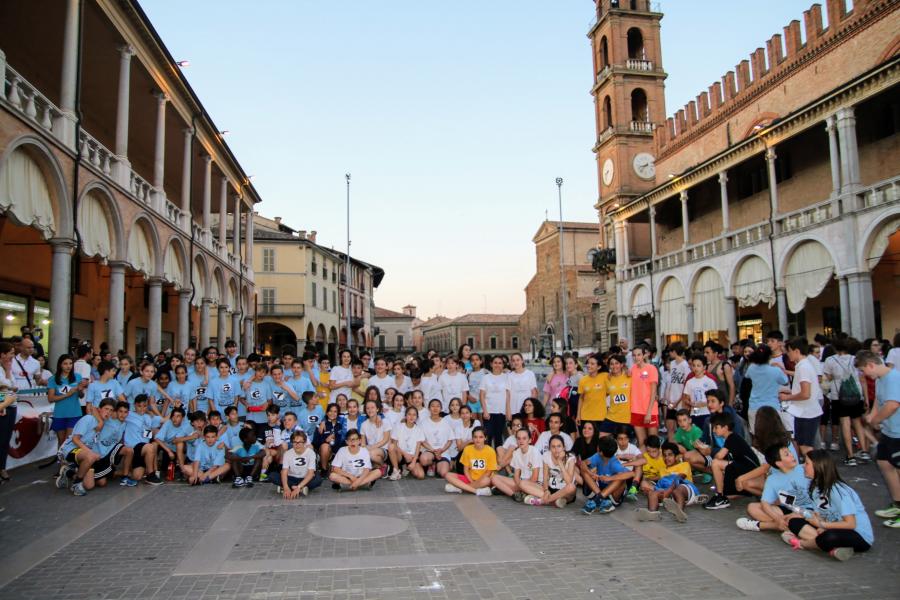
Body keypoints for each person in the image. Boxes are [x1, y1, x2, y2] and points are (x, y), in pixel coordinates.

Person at [779, 449, 873, 560]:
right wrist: (801, 515)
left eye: (807, 463)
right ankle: (834, 547)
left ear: (818, 466)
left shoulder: (838, 490)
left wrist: (822, 525)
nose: (803, 466)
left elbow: (850, 524)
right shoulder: (815, 488)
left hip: (858, 534)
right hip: (833, 527)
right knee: (794, 522)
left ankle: (803, 543)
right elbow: (820, 514)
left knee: (830, 536)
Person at [855, 350, 900, 528]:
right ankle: (897, 503)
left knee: (896, 467)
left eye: (863, 370)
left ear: (871, 365)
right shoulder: (881, 379)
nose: (864, 375)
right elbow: (879, 402)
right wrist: (873, 416)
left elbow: (892, 405)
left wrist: (876, 420)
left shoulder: (893, 378)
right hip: (890, 431)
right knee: (884, 462)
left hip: (898, 432)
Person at [737, 442, 815, 533]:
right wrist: (778, 518)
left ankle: (762, 525)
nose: (792, 455)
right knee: (752, 507)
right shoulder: (772, 479)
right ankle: (785, 526)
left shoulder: (804, 468)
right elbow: (765, 503)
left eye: (790, 452)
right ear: (779, 463)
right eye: (787, 454)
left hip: (810, 510)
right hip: (789, 509)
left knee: (798, 518)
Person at [823, 338, 869, 464]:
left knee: (845, 424)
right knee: (857, 422)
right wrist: (865, 398)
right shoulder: (855, 359)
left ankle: (850, 456)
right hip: (856, 394)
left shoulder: (830, 360)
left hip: (839, 396)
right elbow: (862, 379)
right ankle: (864, 451)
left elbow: (828, 377)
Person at [55, 398, 113, 496]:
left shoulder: (102, 423)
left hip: (83, 453)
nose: (108, 412)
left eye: (111, 410)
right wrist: (90, 453)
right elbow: (75, 439)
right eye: (106, 409)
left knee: (89, 485)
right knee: (91, 456)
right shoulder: (88, 419)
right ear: (99, 409)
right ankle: (76, 484)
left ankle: (68, 472)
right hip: (69, 449)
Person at [637, 441, 707, 522]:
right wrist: (652, 491)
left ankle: (680, 513)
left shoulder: (684, 465)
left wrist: (669, 490)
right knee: (653, 493)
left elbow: (680, 478)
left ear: (676, 456)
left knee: (677, 489)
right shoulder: (662, 471)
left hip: (685, 490)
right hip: (669, 495)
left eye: (670, 455)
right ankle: (652, 513)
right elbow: (660, 485)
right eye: (664, 455)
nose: (666, 458)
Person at [704, 412, 759, 510]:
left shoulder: (731, 438)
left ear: (725, 427)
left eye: (716, 427)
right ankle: (723, 495)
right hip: (745, 466)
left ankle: (720, 496)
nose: (713, 430)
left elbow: (719, 456)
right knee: (721, 468)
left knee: (716, 463)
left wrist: (708, 451)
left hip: (750, 469)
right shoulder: (733, 437)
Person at [779, 338, 824, 458]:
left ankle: (814, 471)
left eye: (789, 351)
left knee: (805, 447)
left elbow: (805, 393)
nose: (787, 354)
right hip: (805, 411)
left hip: (807, 412)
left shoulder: (803, 367)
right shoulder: (803, 365)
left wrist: (787, 397)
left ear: (796, 351)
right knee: (804, 445)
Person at [47, 354, 89, 450]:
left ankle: (67, 463)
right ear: (60, 365)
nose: (68, 366)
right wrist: (67, 394)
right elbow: (50, 398)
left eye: (70, 363)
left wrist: (80, 390)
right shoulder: (53, 379)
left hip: (74, 413)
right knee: (61, 441)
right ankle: (62, 463)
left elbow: (81, 396)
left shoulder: (77, 377)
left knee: (68, 440)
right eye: (65, 363)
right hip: (59, 414)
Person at [581, 435, 632, 514]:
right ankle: (600, 499)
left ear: (600, 451)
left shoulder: (615, 463)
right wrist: (590, 473)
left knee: (621, 479)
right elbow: (583, 464)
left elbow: (632, 474)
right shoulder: (597, 456)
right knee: (585, 471)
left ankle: (597, 499)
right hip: (598, 489)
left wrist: (610, 478)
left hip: (612, 496)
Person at [745, 346, 789, 432]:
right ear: (769, 356)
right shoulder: (776, 371)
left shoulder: (751, 368)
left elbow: (747, 376)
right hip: (772, 406)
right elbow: (785, 382)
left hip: (754, 406)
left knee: (756, 434)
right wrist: (780, 368)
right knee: (773, 434)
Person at [122, 394, 163, 486]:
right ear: (135, 405)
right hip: (133, 448)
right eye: (139, 406)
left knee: (137, 476)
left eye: (144, 406)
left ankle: (126, 472)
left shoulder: (149, 417)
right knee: (150, 447)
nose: (142, 408)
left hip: (144, 450)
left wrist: (175, 407)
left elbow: (164, 420)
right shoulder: (129, 414)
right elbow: (118, 414)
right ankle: (151, 475)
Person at [492, 427, 541, 501]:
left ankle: (508, 490)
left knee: (522, 484)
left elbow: (535, 478)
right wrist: (519, 485)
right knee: (494, 478)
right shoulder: (517, 452)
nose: (521, 441)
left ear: (530, 440)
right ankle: (514, 495)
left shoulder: (534, 451)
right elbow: (516, 476)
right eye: (519, 438)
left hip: (536, 484)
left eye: (524, 438)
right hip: (521, 482)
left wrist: (520, 485)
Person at [444, 426, 496, 496]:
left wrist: (477, 481)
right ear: (472, 438)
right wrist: (471, 481)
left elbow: (489, 472)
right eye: (475, 437)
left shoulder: (490, 451)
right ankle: (476, 491)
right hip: (469, 478)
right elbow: (466, 470)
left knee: (487, 480)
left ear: (485, 438)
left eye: (481, 437)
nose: (478, 439)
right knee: (447, 475)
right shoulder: (468, 449)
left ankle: (460, 488)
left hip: (483, 480)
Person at [630, 346, 659, 449]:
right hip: (635, 410)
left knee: (653, 443)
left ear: (644, 355)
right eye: (634, 355)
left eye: (639, 355)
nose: (636, 357)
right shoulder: (632, 369)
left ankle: (657, 465)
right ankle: (643, 465)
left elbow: (653, 391)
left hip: (650, 411)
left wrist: (649, 412)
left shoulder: (651, 368)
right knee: (641, 442)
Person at [681, 353, 718, 432]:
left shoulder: (709, 381)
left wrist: (703, 403)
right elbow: (686, 398)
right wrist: (691, 403)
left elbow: (716, 398)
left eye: (698, 365)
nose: (695, 368)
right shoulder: (689, 382)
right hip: (694, 413)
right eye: (693, 365)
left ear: (704, 367)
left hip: (707, 413)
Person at [480, 356, 511, 448]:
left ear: (503, 365)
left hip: (501, 412)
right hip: (489, 411)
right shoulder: (486, 378)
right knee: (488, 436)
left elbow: (508, 395)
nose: (497, 365)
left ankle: (498, 458)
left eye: (500, 363)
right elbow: (482, 395)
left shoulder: (506, 377)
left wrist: (507, 411)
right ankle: (488, 458)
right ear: (491, 364)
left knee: (498, 437)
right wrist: (485, 410)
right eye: (495, 363)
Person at [279, 430, 321, 497]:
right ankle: (300, 488)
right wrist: (286, 487)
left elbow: (311, 473)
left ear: (304, 443)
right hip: (292, 477)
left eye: (300, 442)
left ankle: (295, 488)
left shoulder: (310, 453)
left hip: (305, 477)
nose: (297, 445)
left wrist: (298, 487)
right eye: (294, 442)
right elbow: (284, 471)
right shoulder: (287, 453)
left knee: (318, 479)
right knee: (273, 476)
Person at [419, 399, 455, 478]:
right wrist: (433, 450)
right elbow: (422, 441)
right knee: (423, 460)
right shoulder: (424, 423)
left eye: (438, 406)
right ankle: (431, 464)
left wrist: (442, 450)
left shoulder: (446, 422)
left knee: (443, 473)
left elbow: (450, 440)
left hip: (443, 451)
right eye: (432, 406)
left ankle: (438, 465)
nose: (435, 408)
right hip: (429, 451)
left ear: (441, 408)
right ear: (429, 408)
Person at [389, 406, 426, 480]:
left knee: (421, 475)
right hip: (400, 455)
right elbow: (394, 444)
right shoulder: (399, 426)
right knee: (391, 446)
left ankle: (407, 468)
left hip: (412, 457)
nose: (411, 417)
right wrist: (405, 454)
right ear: (405, 416)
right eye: (409, 414)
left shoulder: (418, 429)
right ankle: (396, 471)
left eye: (414, 415)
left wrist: (413, 462)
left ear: (417, 417)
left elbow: (418, 447)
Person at [0, 342, 20, 482]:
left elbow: (14, 386)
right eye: (11, 353)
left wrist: (8, 371)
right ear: (3, 354)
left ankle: (2, 467)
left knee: (6, 439)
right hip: (3, 406)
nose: (13, 356)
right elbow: (5, 386)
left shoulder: (9, 368)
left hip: (12, 406)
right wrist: (9, 386)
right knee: (1, 438)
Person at [664, 343, 690, 441]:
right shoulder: (672, 363)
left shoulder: (685, 365)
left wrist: (678, 401)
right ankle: (671, 447)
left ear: (674, 352)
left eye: (671, 351)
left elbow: (685, 386)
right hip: (672, 400)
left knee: (681, 428)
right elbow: (670, 382)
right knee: (669, 427)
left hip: (680, 402)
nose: (670, 353)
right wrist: (668, 397)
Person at [577, 354, 608, 432]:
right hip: (585, 417)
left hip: (601, 417)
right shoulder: (583, 380)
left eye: (592, 364)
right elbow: (581, 398)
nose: (588, 365)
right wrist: (578, 415)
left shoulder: (605, 376)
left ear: (599, 367)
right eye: (588, 363)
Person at [314, 403, 345, 474]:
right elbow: (315, 442)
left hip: (336, 449)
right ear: (327, 413)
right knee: (325, 446)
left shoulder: (341, 425)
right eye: (330, 411)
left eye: (335, 411)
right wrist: (326, 440)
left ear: (338, 413)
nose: (332, 413)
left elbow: (342, 440)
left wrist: (335, 438)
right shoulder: (321, 425)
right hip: (324, 450)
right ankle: (324, 469)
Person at [360, 399, 391, 468]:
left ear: (377, 409)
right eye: (368, 408)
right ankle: (377, 466)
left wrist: (371, 447)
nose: (370, 410)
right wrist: (363, 448)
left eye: (372, 407)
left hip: (383, 449)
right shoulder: (363, 424)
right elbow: (363, 442)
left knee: (372, 454)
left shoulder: (385, 422)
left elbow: (385, 440)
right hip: (370, 448)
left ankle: (384, 466)